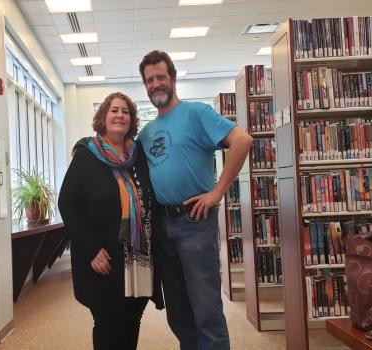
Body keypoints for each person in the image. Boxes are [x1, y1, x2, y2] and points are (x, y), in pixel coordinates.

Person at [137, 50, 253, 350]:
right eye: (149, 80)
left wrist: (218, 192)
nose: (155, 84)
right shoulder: (146, 133)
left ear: (173, 79)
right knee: (178, 312)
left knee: (206, 308)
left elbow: (242, 141)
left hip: (194, 220)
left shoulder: (196, 113)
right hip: (162, 224)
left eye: (161, 77)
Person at [58, 92, 164, 350]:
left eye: (125, 111)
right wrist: (91, 250)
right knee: (107, 323)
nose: (120, 115)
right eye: (114, 110)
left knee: (132, 319)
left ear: (131, 119)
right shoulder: (86, 155)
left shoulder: (139, 156)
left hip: (138, 258)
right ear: (103, 117)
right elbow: (68, 204)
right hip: (104, 259)